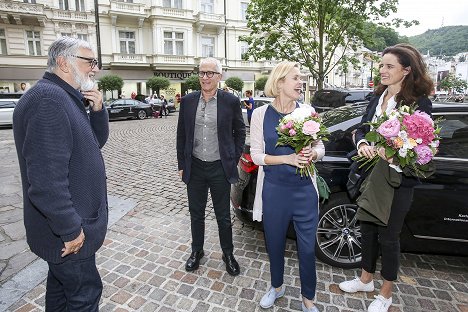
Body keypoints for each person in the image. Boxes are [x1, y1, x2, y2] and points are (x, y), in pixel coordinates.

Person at [12, 36, 109, 311]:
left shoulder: (65, 97)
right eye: (89, 61)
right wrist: (70, 230)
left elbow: (94, 143)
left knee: (60, 291)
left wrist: (98, 109)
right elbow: (45, 182)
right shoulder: (48, 100)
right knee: (84, 297)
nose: (94, 68)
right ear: (64, 63)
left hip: (65, 232)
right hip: (67, 235)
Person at [339, 44, 434, 312]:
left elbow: (423, 145)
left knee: (388, 237)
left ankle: (386, 293)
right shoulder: (377, 97)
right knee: (367, 230)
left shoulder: (419, 103)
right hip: (369, 177)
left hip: (397, 182)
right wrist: (361, 145)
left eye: (389, 66)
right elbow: (360, 129)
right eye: (381, 65)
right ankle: (366, 280)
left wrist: (392, 153)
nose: (383, 70)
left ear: (406, 70)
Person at [250, 61, 324, 312]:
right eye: (295, 78)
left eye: (301, 78)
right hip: (274, 190)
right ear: (280, 82)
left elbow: (320, 147)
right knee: (274, 243)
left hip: (304, 191)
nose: (300, 82)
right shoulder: (260, 114)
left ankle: (308, 298)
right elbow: (256, 156)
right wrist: (287, 158)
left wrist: (312, 154)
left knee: (306, 247)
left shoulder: (308, 111)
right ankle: (277, 286)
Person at [176, 57, 246, 276]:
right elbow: (182, 134)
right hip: (195, 166)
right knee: (196, 213)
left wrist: (232, 159)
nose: (205, 77)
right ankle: (197, 251)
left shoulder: (230, 102)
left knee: (223, 215)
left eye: (210, 73)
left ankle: (228, 253)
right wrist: (182, 163)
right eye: (202, 73)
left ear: (219, 76)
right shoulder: (188, 101)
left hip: (219, 167)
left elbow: (240, 132)